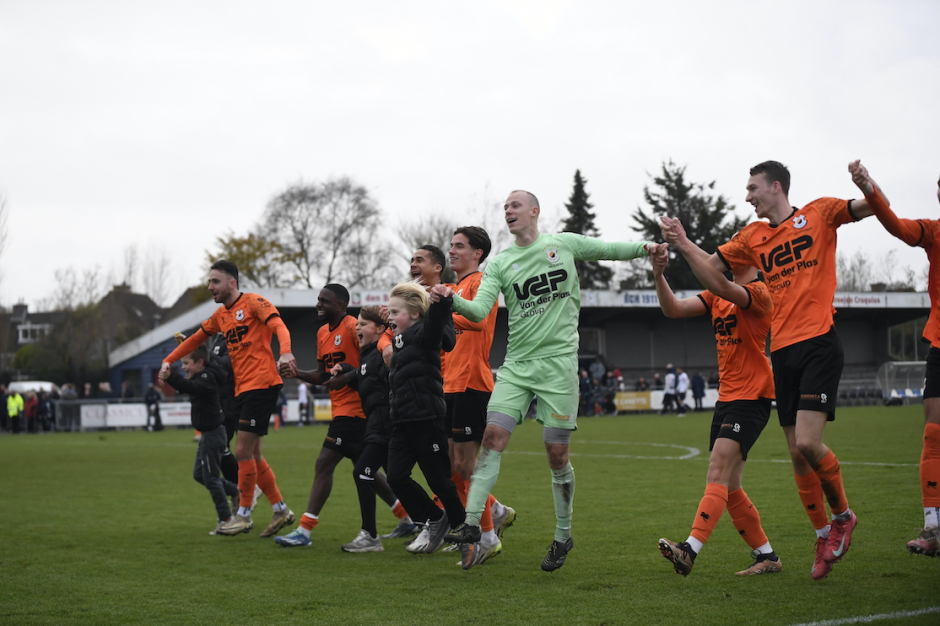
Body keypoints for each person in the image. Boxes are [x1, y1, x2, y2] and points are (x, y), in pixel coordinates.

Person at [660, 159, 883, 580]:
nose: (747, 197)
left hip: (794, 359)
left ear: (776, 186)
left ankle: (841, 516)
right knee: (789, 460)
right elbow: (700, 285)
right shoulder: (748, 244)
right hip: (773, 361)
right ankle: (801, 542)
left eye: (752, 188)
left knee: (801, 446)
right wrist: (675, 256)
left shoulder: (773, 272)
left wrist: (866, 183)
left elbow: (876, 207)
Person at [438, 189, 663, 571]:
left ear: (534, 211)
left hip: (558, 367)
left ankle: (563, 535)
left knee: (557, 455)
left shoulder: (563, 244)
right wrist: (450, 299)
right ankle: (472, 525)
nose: (508, 210)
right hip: (517, 367)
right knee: (491, 439)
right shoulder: (501, 263)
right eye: (505, 207)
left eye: (515, 205)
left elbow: (608, 249)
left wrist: (647, 248)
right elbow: (477, 312)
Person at [651, 232, 782, 576]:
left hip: (752, 395)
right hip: (728, 397)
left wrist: (681, 241)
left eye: (736, 250)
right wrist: (658, 274)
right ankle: (767, 556)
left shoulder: (758, 293)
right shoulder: (717, 294)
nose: (728, 254)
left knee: (717, 470)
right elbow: (673, 308)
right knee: (731, 484)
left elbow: (723, 287)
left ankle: (689, 550)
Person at [160, 260, 296, 538]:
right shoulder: (221, 315)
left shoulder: (255, 302)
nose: (210, 287)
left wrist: (286, 352)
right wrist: (168, 360)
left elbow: (279, 325)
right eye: (209, 282)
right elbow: (195, 340)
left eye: (215, 281)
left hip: (262, 383)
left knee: (243, 452)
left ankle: (243, 515)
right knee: (254, 454)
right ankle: (280, 509)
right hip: (243, 389)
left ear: (232, 283)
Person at [848, 163, 940, 556]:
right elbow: (899, 228)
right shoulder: (934, 231)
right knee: (933, 434)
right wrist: (869, 188)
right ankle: (933, 528)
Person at [275, 284, 408, 548]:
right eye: (318, 300)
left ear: (340, 305)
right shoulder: (322, 332)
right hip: (343, 410)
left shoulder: (352, 325)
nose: (318, 305)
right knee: (367, 470)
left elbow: (370, 363)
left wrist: (348, 376)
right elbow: (325, 375)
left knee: (324, 463)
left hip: (356, 409)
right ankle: (407, 516)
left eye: (324, 301)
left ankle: (305, 529)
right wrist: (297, 373)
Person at [438, 226, 514, 568]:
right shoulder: (452, 288)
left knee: (466, 468)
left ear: (477, 253)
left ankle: (487, 537)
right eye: (451, 245)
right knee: (453, 469)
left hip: (472, 383)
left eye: (459, 246)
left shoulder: (480, 282)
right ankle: (495, 510)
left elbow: (481, 321)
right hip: (448, 385)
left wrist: (443, 311)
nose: (452, 251)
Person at [385, 282, 464, 554]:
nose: (390, 318)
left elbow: (437, 322)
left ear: (416, 315)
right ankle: (435, 518)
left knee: (439, 480)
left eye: (396, 312)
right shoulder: (400, 341)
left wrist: (442, 302)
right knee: (395, 476)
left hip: (427, 418)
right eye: (390, 312)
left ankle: (463, 528)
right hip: (402, 421)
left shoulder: (425, 333)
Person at [329, 305, 414, 552]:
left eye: (363, 324)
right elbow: (366, 383)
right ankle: (428, 522)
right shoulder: (367, 356)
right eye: (356, 324)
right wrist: (346, 370)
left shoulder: (382, 354)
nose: (357, 328)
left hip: (386, 428)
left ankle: (370, 536)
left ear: (379, 329)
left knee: (362, 473)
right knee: (399, 481)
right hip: (378, 428)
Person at [160, 344, 240, 535]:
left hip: (214, 435)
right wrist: (187, 343)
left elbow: (189, 386)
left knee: (211, 478)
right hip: (209, 434)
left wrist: (170, 376)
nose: (184, 367)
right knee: (199, 475)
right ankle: (235, 491)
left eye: (186, 363)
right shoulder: (205, 373)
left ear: (200, 363)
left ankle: (226, 519)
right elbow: (199, 361)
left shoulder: (206, 379)